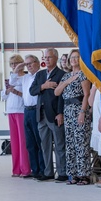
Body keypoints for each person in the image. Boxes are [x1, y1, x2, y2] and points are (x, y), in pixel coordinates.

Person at [54, 50, 92, 185]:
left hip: (79, 108)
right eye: (72, 57)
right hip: (68, 109)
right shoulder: (66, 76)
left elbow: (86, 94)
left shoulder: (83, 74)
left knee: (81, 141)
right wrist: (67, 81)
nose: (74, 60)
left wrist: (83, 111)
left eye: (77, 57)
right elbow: (57, 92)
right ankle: (73, 174)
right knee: (70, 143)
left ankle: (84, 174)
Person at [33, 48, 66, 181]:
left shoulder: (62, 74)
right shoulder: (40, 75)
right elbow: (32, 90)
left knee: (59, 144)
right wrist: (44, 86)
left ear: (56, 58)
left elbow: (62, 96)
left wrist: (60, 113)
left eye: (49, 57)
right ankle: (48, 172)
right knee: (45, 145)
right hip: (41, 115)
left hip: (54, 114)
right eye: (45, 58)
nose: (46, 60)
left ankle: (62, 172)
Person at [2, 55, 31, 177]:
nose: (14, 66)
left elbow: (28, 95)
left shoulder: (26, 78)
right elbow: (3, 96)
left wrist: (16, 92)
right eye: (12, 64)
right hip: (11, 110)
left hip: (21, 110)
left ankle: (25, 169)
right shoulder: (9, 79)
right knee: (14, 141)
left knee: (23, 141)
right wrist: (7, 91)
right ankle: (16, 169)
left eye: (16, 63)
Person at [20, 54, 43, 178]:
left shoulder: (41, 75)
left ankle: (42, 169)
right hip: (27, 110)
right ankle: (34, 170)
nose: (29, 66)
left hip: (36, 110)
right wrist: (21, 65)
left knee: (38, 141)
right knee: (30, 143)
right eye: (26, 64)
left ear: (38, 63)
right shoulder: (25, 77)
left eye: (31, 63)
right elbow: (12, 80)